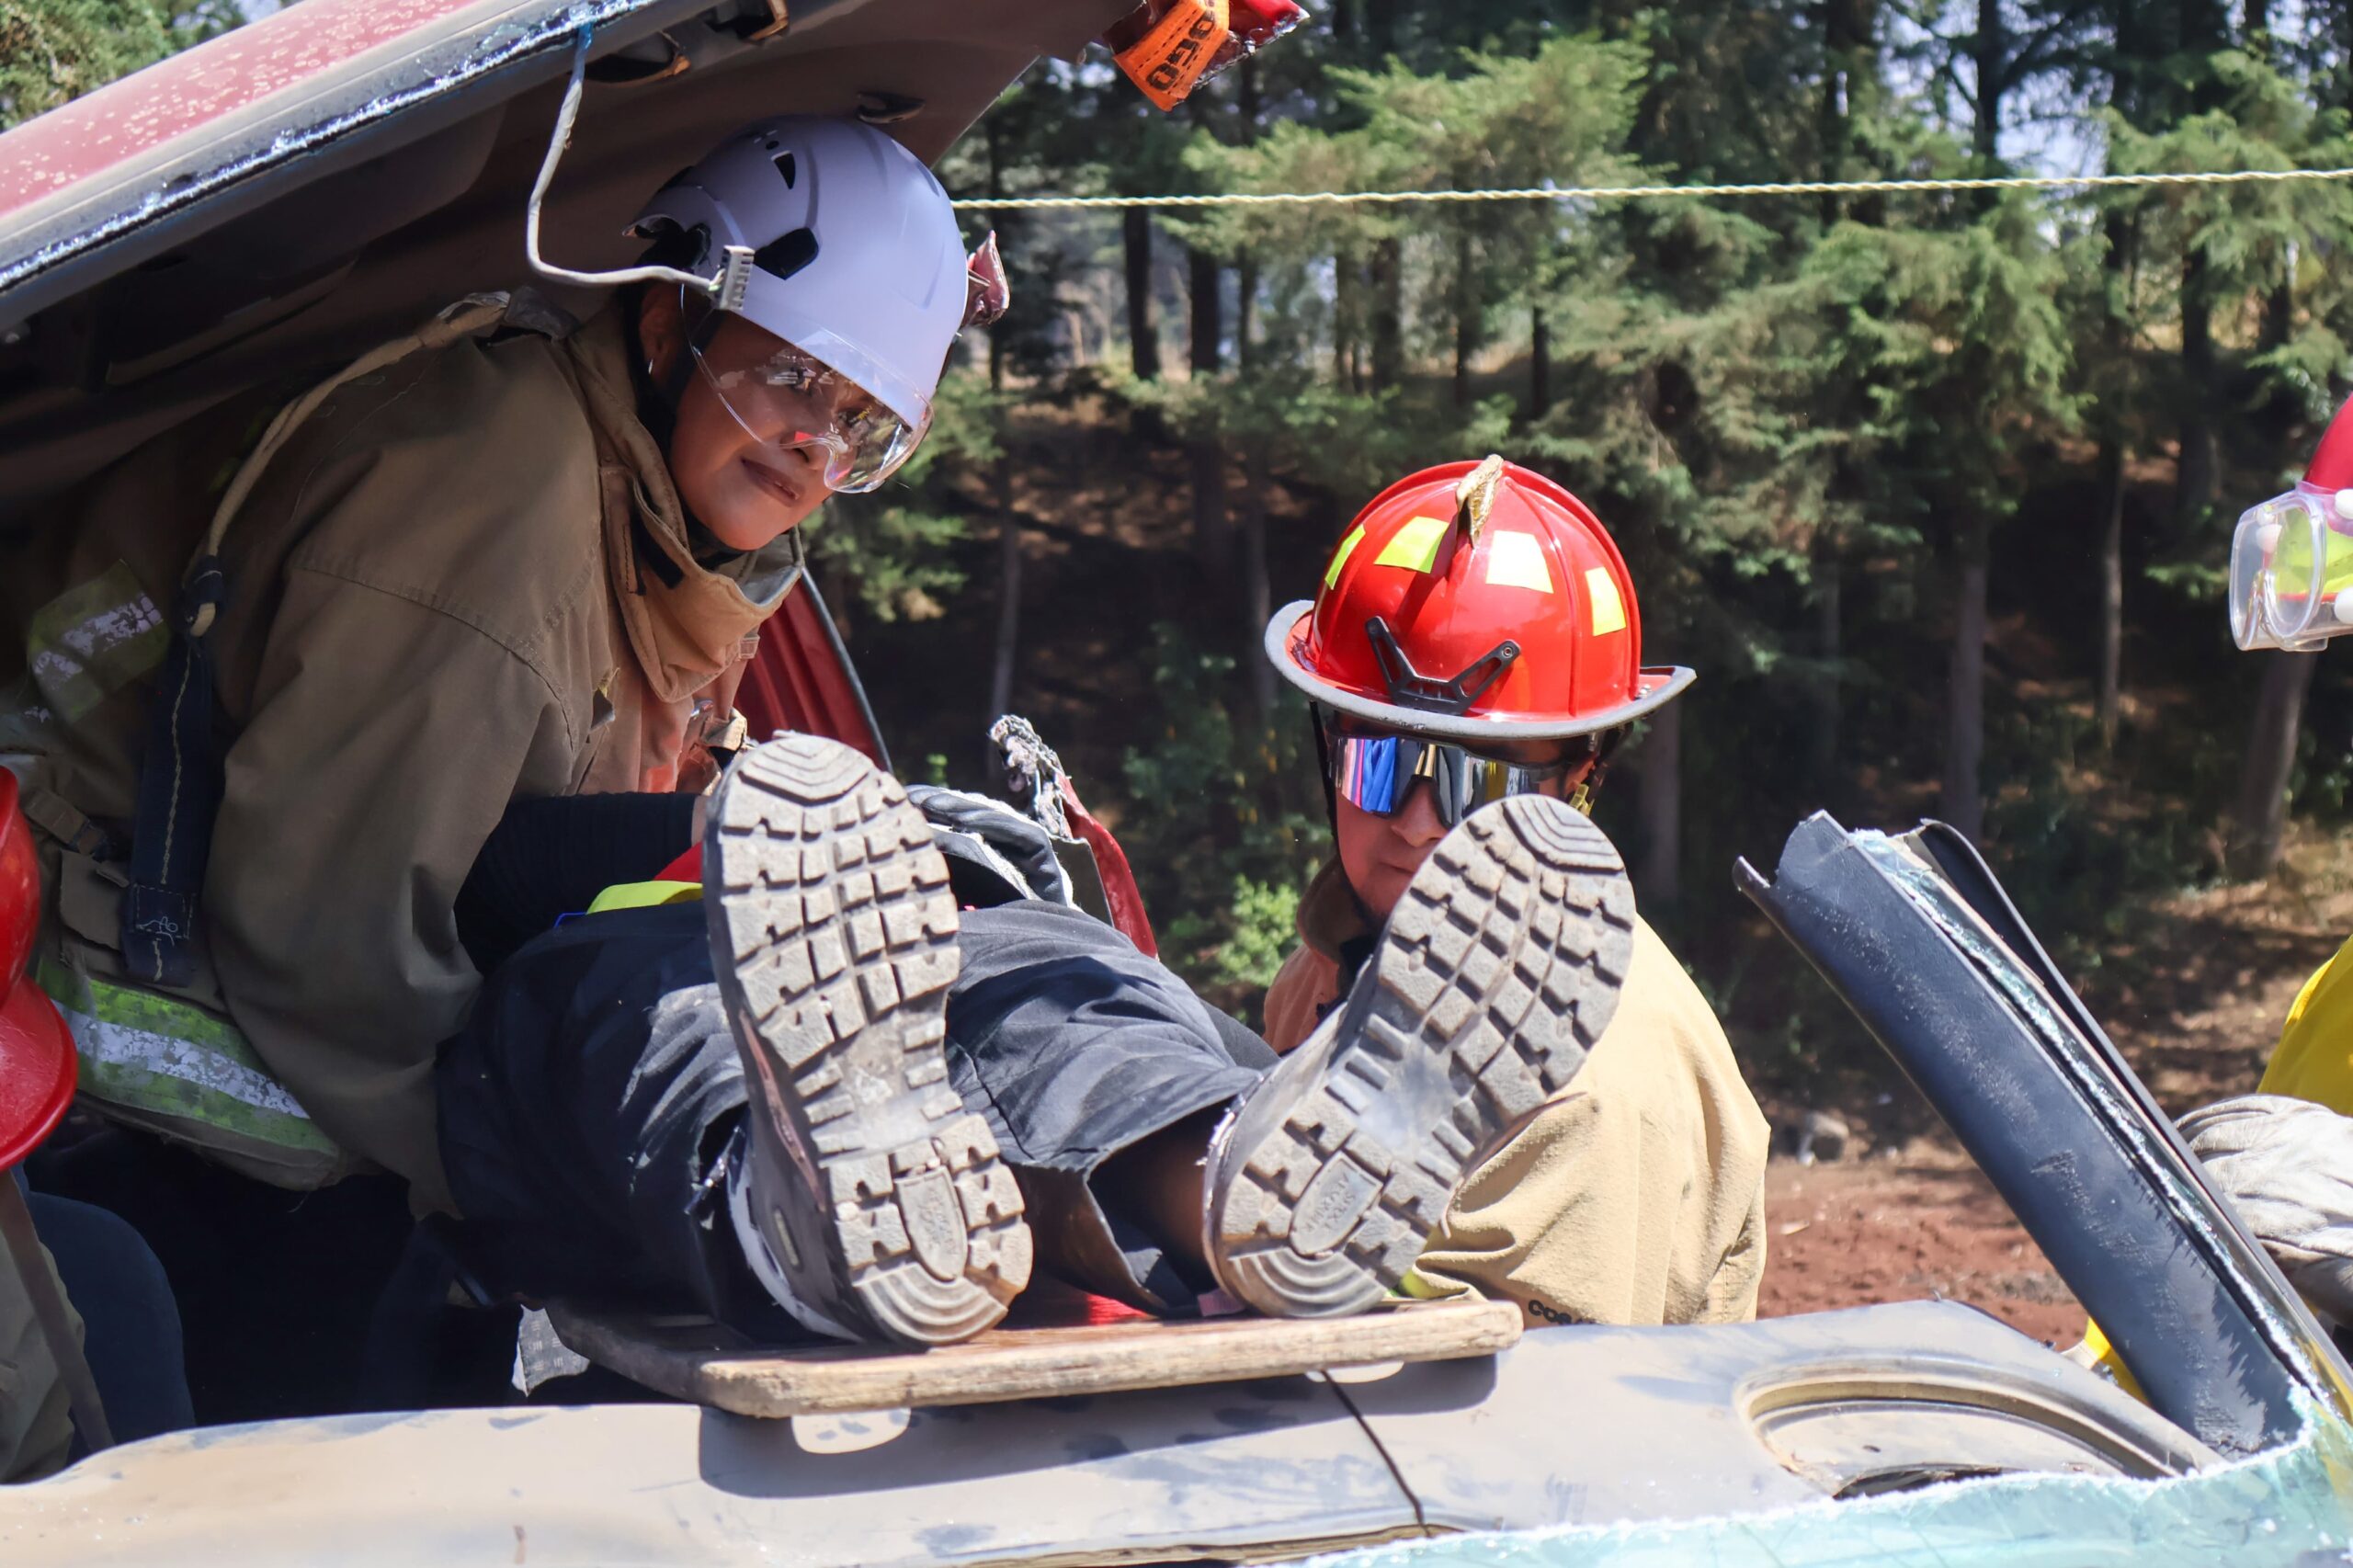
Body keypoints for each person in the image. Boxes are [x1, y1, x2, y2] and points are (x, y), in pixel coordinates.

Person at [0, 116, 996, 1212]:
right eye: (796, 375)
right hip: (64, 914)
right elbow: (332, 958)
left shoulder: (666, 533)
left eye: (865, 427)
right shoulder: (496, 499)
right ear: (669, 320)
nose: (818, 447)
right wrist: (559, 1202)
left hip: (263, 904)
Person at [1257, 456, 1772, 1328]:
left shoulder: (1597, 1076)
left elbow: (1529, 1420)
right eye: (1378, 762)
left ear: (1580, 779)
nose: (1419, 824)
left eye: (1478, 782)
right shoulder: (1330, 960)